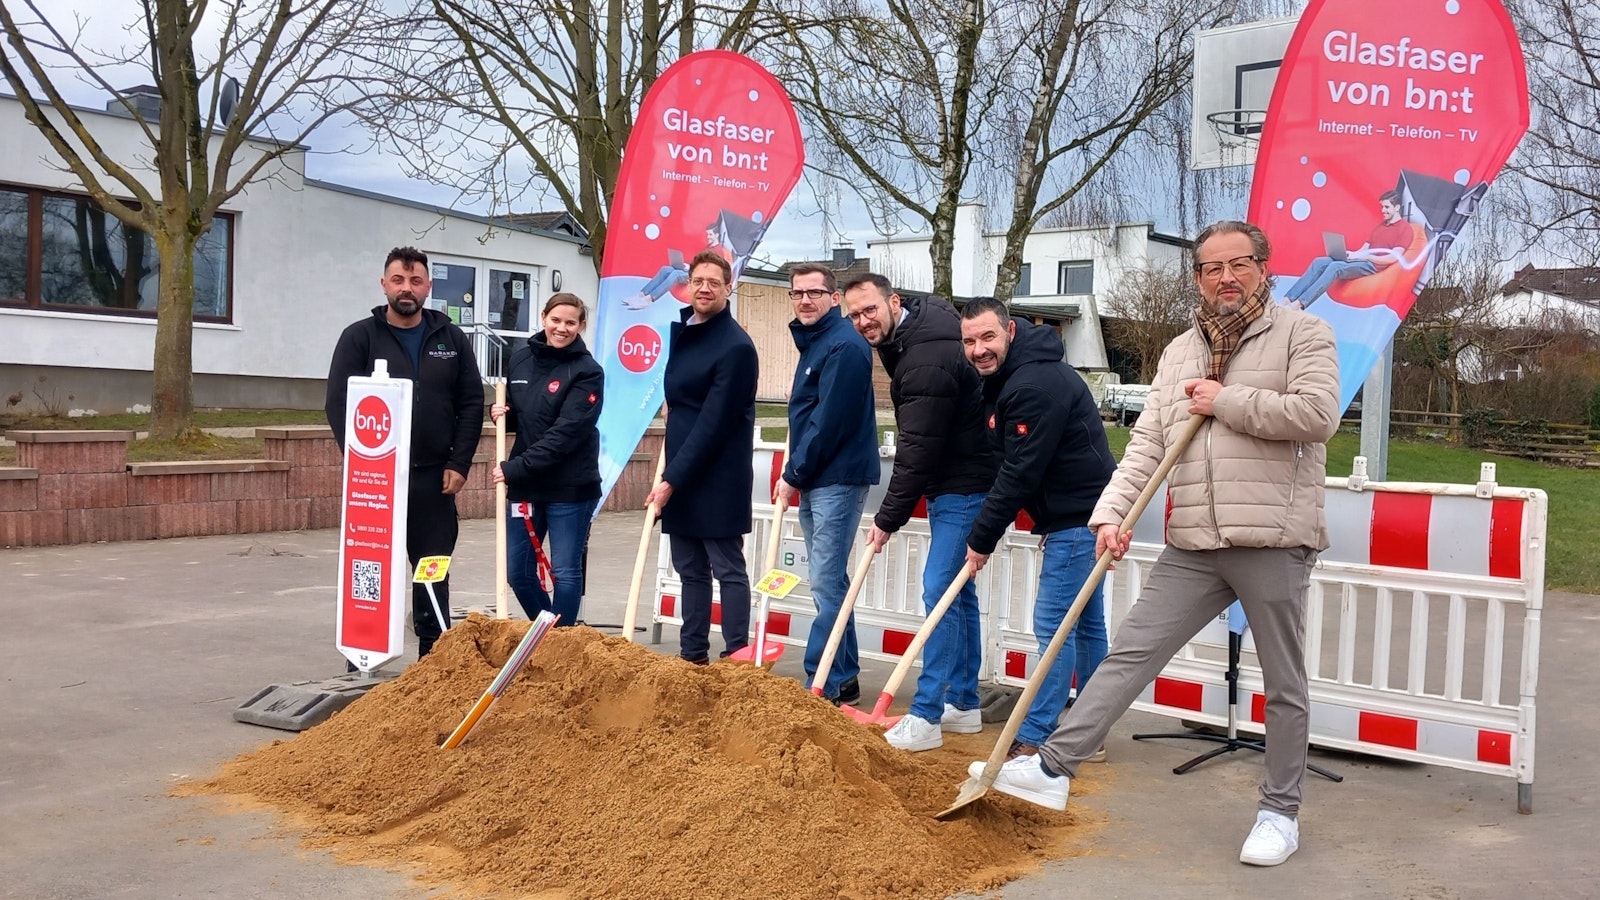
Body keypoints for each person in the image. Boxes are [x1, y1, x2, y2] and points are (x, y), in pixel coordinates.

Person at [974, 221, 1340, 869]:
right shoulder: (1178, 352)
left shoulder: (1302, 332)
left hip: (1273, 537)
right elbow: (1148, 444)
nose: (1226, 278)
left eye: (1239, 264)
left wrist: (1228, 400)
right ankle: (1056, 767)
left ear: (1263, 264)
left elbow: (1316, 415)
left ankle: (1279, 813)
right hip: (1193, 538)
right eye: (1211, 269)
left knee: (1283, 683)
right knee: (1130, 654)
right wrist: (1110, 514)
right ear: (1196, 278)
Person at [842, 274, 999, 751]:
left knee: (938, 590)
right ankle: (964, 703)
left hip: (963, 485)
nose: (863, 321)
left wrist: (887, 519)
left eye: (870, 310)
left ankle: (928, 714)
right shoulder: (919, 329)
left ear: (893, 302)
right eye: (854, 315)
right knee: (957, 595)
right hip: (961, 479)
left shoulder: (923, 359)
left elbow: (916, 451)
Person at [958, 297, 1116, 760]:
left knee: (1054, 626)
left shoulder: (1033, 384)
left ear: (1009, 331)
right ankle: (1090, 732)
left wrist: (981, 538)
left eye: (987, 337)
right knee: (1085, 626)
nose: (978, 349)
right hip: (1081, 513)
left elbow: (1019, 471)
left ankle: (1036, 734)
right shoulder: (1017, 375)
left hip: (1078, 518)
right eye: (969, 341)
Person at [325, 246, 485, 658]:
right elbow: (337, 404)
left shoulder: (451, 339)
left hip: (434, 479)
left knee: (432, 566)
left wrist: (459, 463)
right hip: (377, 481)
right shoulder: (359, 337)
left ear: (429, 286)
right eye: (398, 280)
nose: (407, 288)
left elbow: (471, 404)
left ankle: (433, 655)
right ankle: (364, 653)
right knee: (370, 566)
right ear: (384, 285)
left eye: (415, 281)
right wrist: (361, 464)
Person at [645, 249, 760, 664]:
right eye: (699, 281)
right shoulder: (685, 330)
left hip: (717, 474)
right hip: (683, 467)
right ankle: (692, 655)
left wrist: (670, 482)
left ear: (729, 287)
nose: (705, 288)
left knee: (726, 567)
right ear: (688, 285)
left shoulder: (736, 347)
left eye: (715, 281)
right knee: (689, 569)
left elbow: (714, 423)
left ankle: (736, 657)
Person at [774, 263, 880, 705]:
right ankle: (844, 676)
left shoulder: (844, 346)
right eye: (798, 293)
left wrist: (791, 474)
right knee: (830, 578)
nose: (805, 300)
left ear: (833, 299)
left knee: (823, 581)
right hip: (819, 476)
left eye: (814, 293)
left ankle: (822, 682)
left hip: (835, 477)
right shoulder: (817, 344)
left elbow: (829, 423)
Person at [489, 293, 603, 627]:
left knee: (565, 572)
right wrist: (502, 415)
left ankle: (563, 645)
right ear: (543, 318)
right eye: (556, 320)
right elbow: (523, 413)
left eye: (571, 322)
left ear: (581, 326)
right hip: (527, 485)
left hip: (570, 487)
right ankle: (549, 635)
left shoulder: (587, 372)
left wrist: (515, 468)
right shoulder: (522, 358)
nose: (562, 328)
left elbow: (567, 432)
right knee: (519, 572)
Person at [1284, 190, 1414, 309]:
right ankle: (1288, 299)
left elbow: (1393, 258)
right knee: (1320, 261)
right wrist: (1352, 254)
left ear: (1397, 208)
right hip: (1363, 260)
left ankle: (1300, 303)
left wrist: (1366, 256)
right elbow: (1365, 247)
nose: (1383, 210)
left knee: (1335, 267)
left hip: (1374, 266)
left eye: (1386, 207)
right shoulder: (1381, 226)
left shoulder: (1405, 229)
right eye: (1382, 206)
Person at [624, 223, 733, 310]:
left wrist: (691, 269)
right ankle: (642, 294)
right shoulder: (707, 248)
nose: (708, 237)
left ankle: (649, 299)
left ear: (717, 235)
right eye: (707, 234)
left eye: (710, 234)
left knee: (675, 274)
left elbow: (708, 270)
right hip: (692, 270)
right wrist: (687, 266)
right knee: (665, 269)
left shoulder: (718, 251)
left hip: (698, 276)